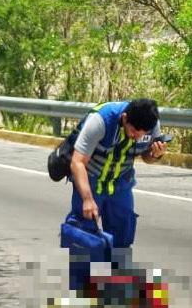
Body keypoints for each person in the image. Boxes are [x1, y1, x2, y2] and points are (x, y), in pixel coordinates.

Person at [69, 99, 167, 260]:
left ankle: (118, 280)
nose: (137, 136)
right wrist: (87, 199)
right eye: (134, 131)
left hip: (121, 182)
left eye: (143, 133)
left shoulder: (152, 124)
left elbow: (147, 157)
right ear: (125, 117)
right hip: (91, 180)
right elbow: (77, 162)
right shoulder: (100, 121)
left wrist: (156, 155)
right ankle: (83, 281)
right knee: (83, 235)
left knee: (122, 234)